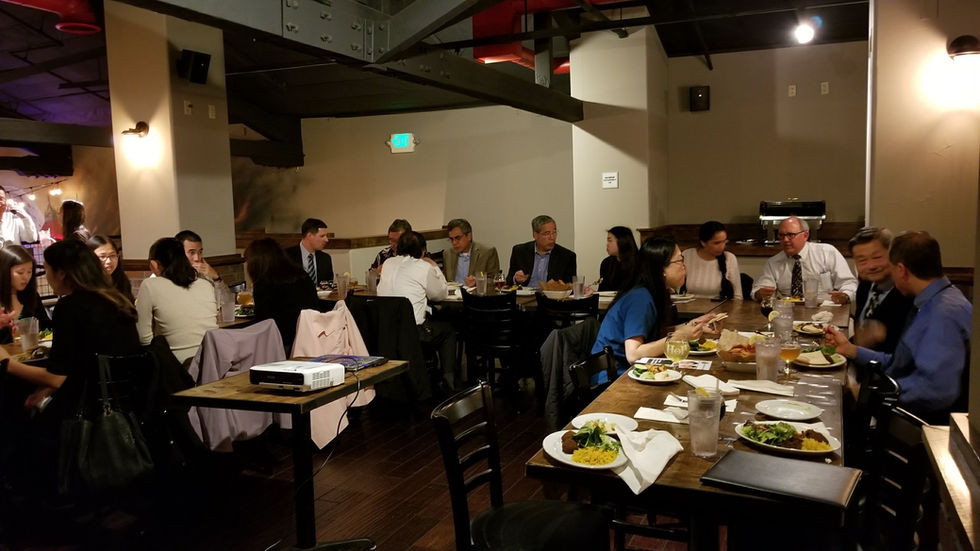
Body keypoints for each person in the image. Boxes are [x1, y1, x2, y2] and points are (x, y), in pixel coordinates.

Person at [0, 241, 141, 492]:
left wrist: (6, 364)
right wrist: (47, 389)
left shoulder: (70, 307)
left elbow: (57, 377)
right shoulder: (116, 300)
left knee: (19, 418)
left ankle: (34, 492)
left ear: (62, 273)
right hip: (125, 397)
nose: (43, 277)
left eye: (46, 270)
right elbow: (80, 364)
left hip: (87, 406)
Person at [825, 231, 971, 421]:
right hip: (898, 402)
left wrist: (869, 394)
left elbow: (935, 390)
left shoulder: (943, 313)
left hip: (921, 424)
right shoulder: (933, 301)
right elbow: (899, 363)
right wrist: (851, 349)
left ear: (901, 270)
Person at [592, 236, 714, 379]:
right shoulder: (640, 298)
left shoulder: (654, 292)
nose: (684, 266)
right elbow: (633, 354)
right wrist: (679, 337)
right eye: (680, 260)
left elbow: (654, 332)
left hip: (632, 372)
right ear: (662, 269)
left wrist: (693, 325)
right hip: (613, 379)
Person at [377, 231, 457, 391]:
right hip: (414, 333)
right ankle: (449, 382)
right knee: (448, 331)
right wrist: (434, 266)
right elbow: (440, 294)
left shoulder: (388, 264)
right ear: (422, 251)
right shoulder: (423, 267)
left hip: (386, 332)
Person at [135, 237, 217, 363]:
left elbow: (144, 338)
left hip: (176, 366)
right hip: (212, 361)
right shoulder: (205, 284)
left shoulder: (149, 285)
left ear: (154, 264)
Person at [751, 216, 856, 304]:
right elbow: (758, 291)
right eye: (781, 235)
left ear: (805, 235)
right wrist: (759, 294)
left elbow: (849, 283)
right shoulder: (773, 262)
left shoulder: (827, 252)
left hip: (825, 310)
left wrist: (845, 295)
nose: (785, 240)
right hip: (789, 311)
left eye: (791, 235)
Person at [245, 238, 318, 355]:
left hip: (281, 344)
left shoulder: (264, 283)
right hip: (310, 339)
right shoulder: (302, 275)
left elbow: (263, 322)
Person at [848, 227, 914, 353]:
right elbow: (861, 340)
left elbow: (906, 354)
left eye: (877, 257)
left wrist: (883, 335)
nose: (871, 266)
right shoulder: (865, 286)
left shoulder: (909, 294)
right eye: (862, 260)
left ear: (894, 255)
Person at [507, 215, 577, 288]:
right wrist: (516, 279)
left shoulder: (567, 256)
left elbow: (570, 287)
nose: (552, 237)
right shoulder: (519, 251)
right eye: (547, 233)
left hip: (550, 295)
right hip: (524, 294)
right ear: (535, 235)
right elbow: (509, 281)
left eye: (554, 232)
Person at [0, 245, 50, 344]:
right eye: (20, 272)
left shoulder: (31, 296)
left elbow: (47, 328)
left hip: (32, 351)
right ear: (4, 271)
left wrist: (41, 336)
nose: (26, 277)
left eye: (29, 272)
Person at [682, 221, 742, 299]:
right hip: (689, 304)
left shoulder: (729, 258)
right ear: (703, 243)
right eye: (717, 243)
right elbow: (676, 289)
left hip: (719, 305)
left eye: (724, 241)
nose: (722, 246)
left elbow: (737, 296)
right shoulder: (687, 255)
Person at [442, 218, 500, 286]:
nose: (454, 243)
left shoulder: (487, 252)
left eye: (458, 238)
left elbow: (494, 280)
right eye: (451, 239)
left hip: (475, 292)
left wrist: (478, 281)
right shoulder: (447, 254)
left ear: (469, 236)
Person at [284, 218, 334, 284]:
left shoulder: (325, 258)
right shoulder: (287, 256)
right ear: (309, 236)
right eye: (322, 236)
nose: (326, 240)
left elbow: (328, 284)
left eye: (326, 236)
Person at [86, 234, 134, 303]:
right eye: (102, 256)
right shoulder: (84, 285)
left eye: (112, 255)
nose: (109, 261)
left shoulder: (121, 280)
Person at [598, 226, 638, 293]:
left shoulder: (638, 262)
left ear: (622, 241)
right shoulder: (606, 263)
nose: (607, 244)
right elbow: (602, 291)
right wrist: (593, 293)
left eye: (610, 240)